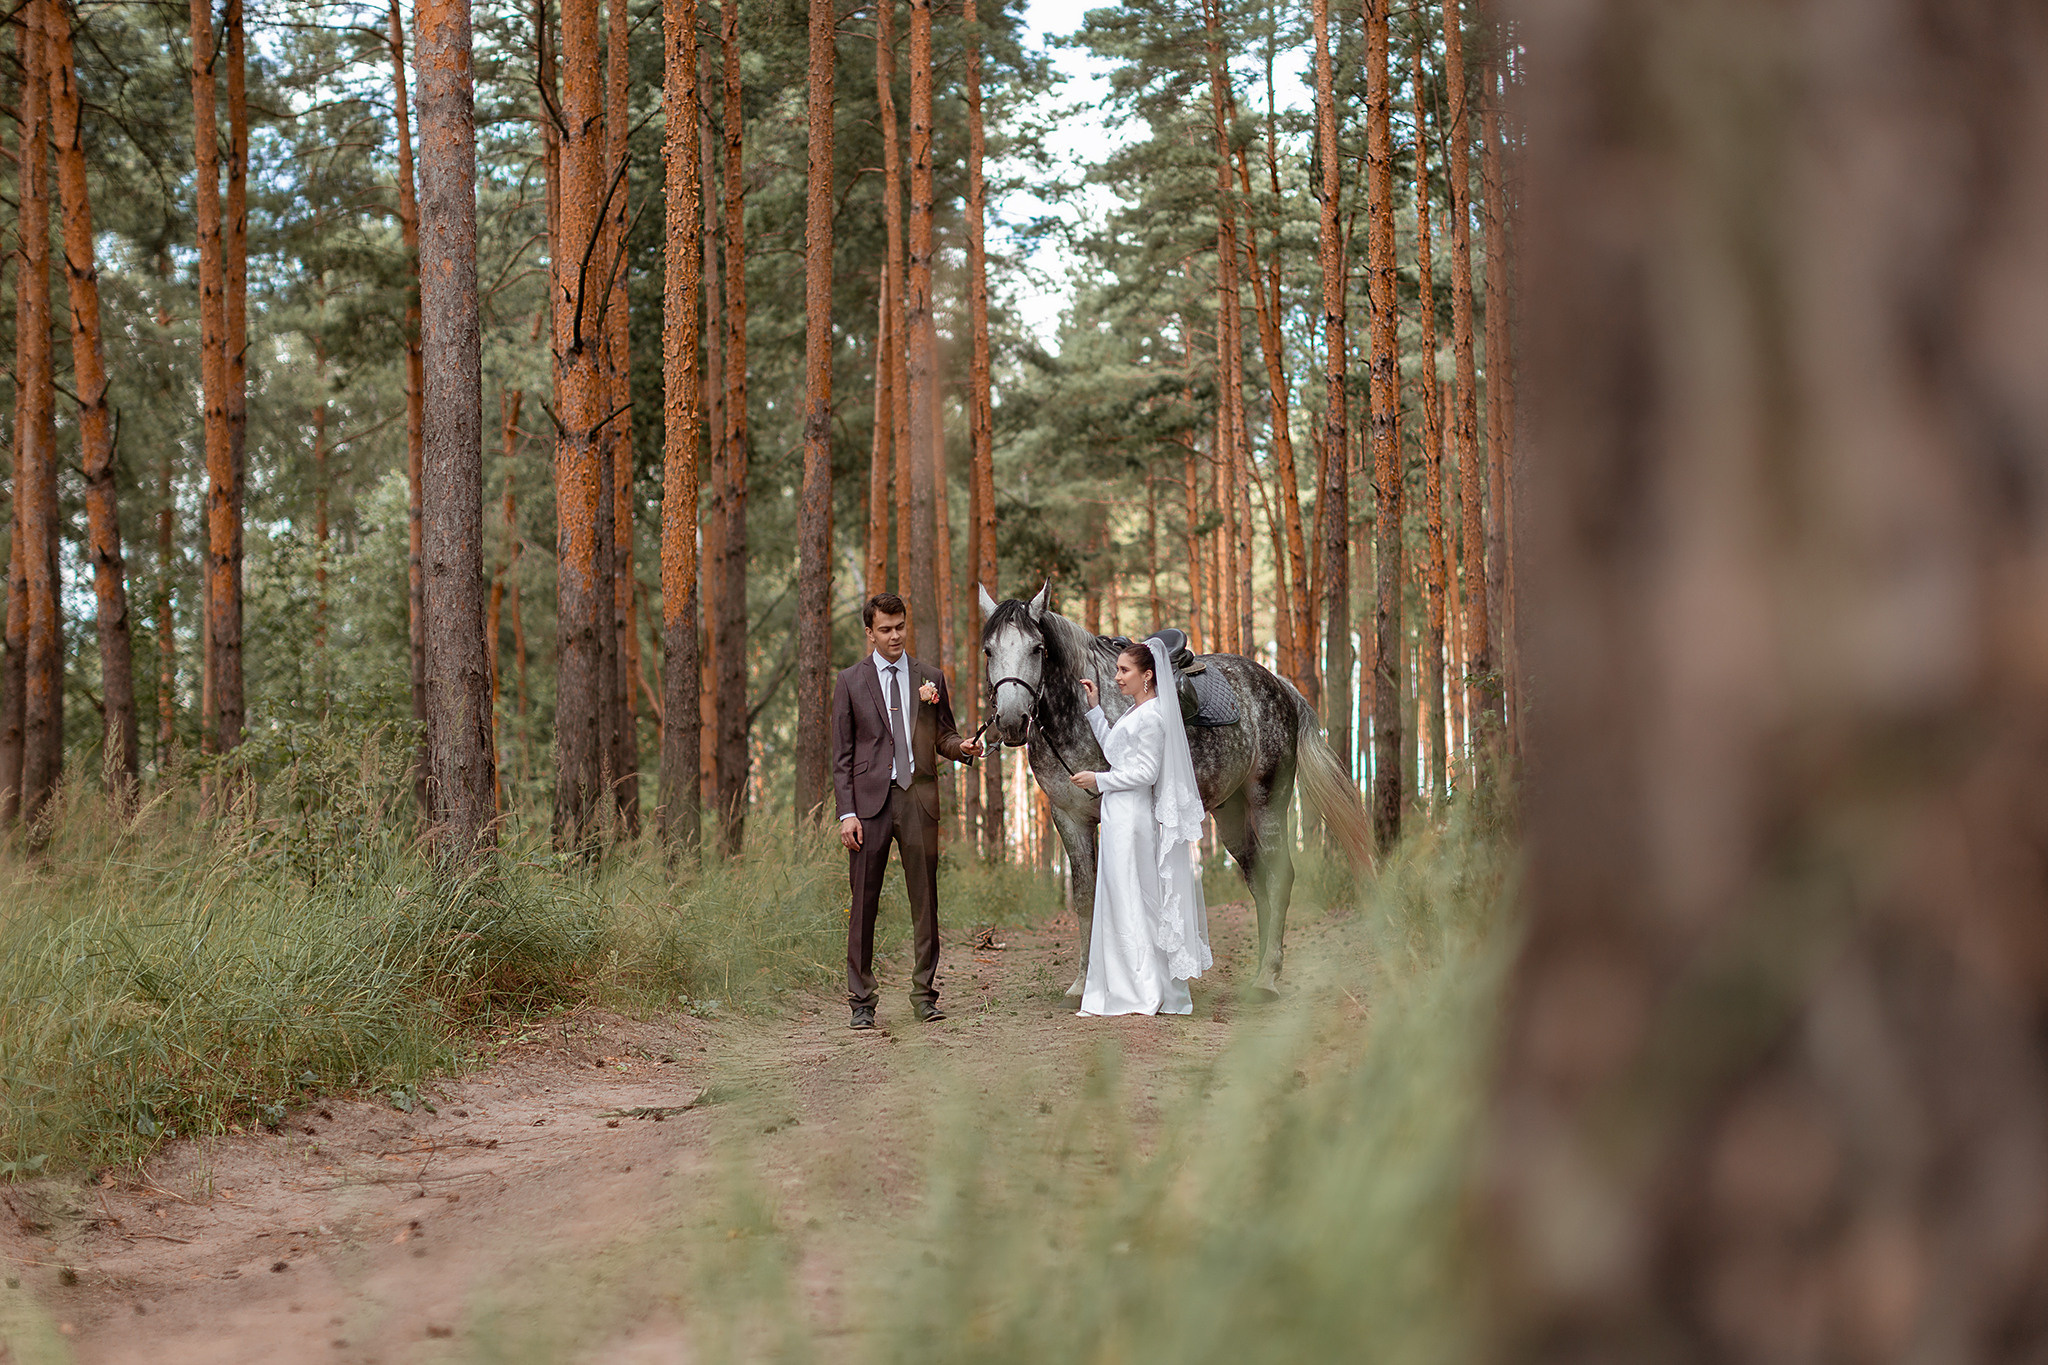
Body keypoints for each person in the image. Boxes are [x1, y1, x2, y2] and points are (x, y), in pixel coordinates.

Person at [830, 593, 984, 1030]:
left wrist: (963, 748)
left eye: (899, 627)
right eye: (885, 629)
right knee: (864, 904)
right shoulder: (849, 681)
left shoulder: (930, 678)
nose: (895, 635)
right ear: (870, 632)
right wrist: (847, 813)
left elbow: (944, 736)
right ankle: (862, 1003)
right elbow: (842, 756)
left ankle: (924, 996)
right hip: (868, 807)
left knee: (925, 901)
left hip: (918, 800)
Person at [1072, 637, 1212, 1016]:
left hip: (1132, 817)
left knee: (1133, 897)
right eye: (1117, 670)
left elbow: (1147, 773)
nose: (1117, 677)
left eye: (1124, 670)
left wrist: (1099, 781)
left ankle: (1143, 988)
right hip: (1118, 814)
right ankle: (1128, 982)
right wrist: (1095, 709)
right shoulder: (1135, 712)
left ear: (1147, 675)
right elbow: (1116, 754)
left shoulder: (1152, 717)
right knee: (1120, 896)